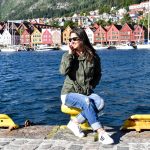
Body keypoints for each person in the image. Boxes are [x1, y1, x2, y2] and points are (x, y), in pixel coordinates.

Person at [59, 27, 114, 145]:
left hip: (85, 93)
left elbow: (98, 74)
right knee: (87, 101)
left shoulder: (93, 56)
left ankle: (74, 123)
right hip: (68, 93)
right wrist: (69, 54)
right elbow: (63, 72)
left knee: (100, 102)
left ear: (82, 39)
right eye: (70, 39)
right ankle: (101, 132)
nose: (71, 41)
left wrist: (91, 85)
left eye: (74, 39)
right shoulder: (67, 56)